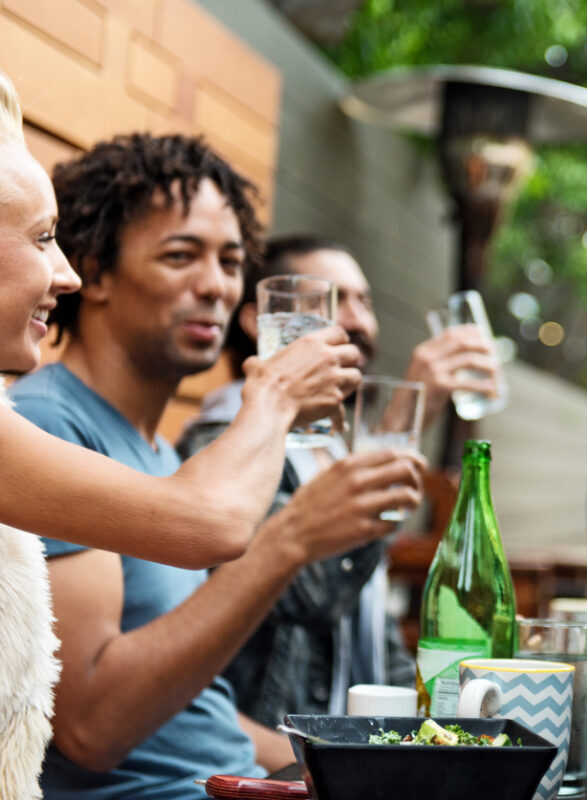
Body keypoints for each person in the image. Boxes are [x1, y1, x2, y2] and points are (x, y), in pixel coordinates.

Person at [9, 132, 424, 799]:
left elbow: (194, 713)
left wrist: (360, 759)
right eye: (180, 256)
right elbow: (91, 729)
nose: (216, 286)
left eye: (231, 262)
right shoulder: (50, 422)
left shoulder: (159, 449)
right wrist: (291, 536)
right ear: (95, 271)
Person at [177, 233, 500, 730]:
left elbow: (371, 624)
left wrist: (427, 728)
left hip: (352, 744)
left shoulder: (330, 449)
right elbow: (312, 595)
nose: (357, 321)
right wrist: (407, 415)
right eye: (329, 302)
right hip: (272, 750)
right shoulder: (224, 442)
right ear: (262, 321)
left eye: (363, 301)